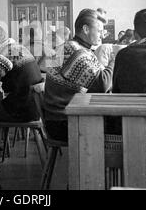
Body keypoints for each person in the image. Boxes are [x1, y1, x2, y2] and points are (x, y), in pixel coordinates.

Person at [43, 9, 113, 142]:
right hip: (64, 123)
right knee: (121, 126)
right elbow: (103, 85)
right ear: (86, 29)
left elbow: (99, 80)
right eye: (99, 31)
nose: (102, 36)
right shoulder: (76, 52)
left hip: (61, 118)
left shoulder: (74, 47)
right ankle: (97, 161)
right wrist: (115, 59)